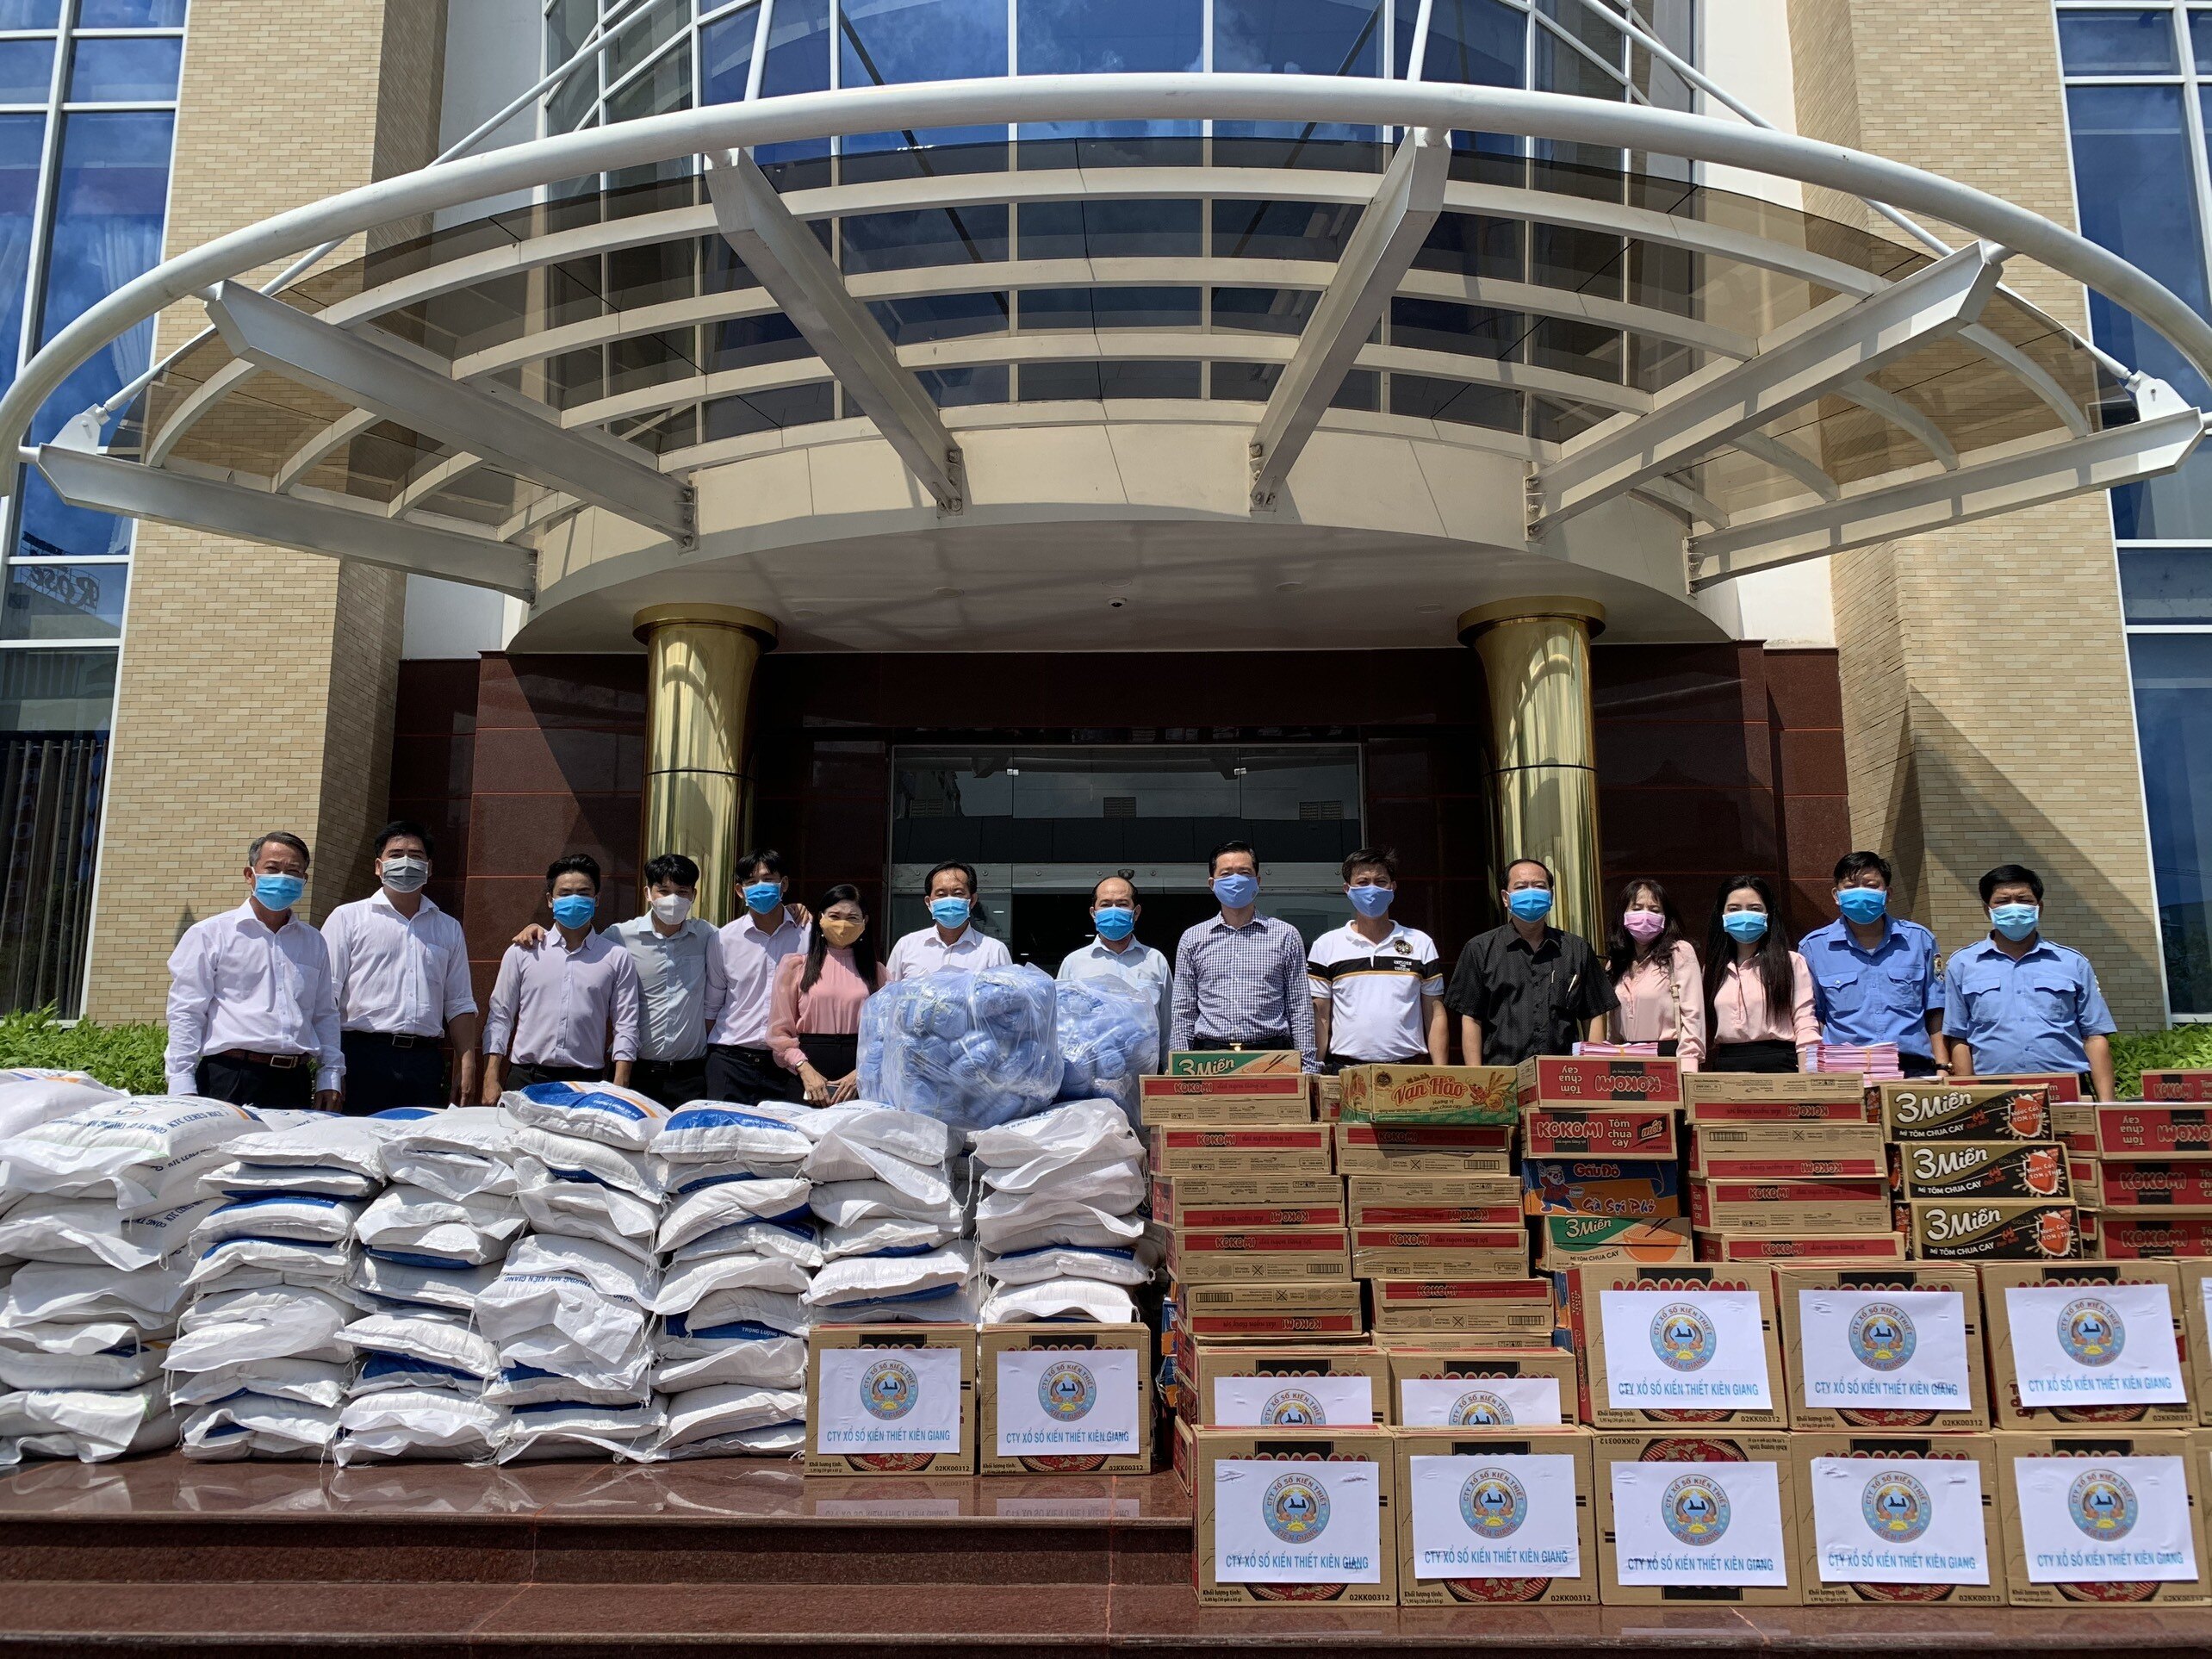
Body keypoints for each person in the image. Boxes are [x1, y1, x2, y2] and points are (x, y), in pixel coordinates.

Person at [165, 830, 343, 1109]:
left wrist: (329, 1075)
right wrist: (181, 1083)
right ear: (250, 874)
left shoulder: (314, 942)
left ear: (304, 880)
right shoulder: (210, 934)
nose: (283, 877)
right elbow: (187, 1011)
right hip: (231, 1077)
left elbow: (325, 1015)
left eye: (293, 871)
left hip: (293, 1080)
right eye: (272, 868)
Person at [320, 819, 478, 1113]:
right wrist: (329, 1070)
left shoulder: (448, 928)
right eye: (396, 855)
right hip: (362, 1056)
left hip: (425, 1062)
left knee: (419, 1140)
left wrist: (466, 1063)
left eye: (415, 855)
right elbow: (326, 998)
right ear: (378, 866)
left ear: (429, 868)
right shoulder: (347, 918)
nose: (406, 862)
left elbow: (459, 1002)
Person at [1944, 863, 2118, 1100]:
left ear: (2039, 908)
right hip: (1994, 1093)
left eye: (2024, 900)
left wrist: (2107, 1105)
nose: (2014, 908)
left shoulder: (2072, 962)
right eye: (2003, 901)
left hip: (2065, 1090)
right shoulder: (1962, 964)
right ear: (1988, 910)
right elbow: (1959, 1038)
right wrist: (1968, 1099)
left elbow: (2095, 1036)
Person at [481, 853, 641, 1098]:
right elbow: (500, 1016)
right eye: (565, 893)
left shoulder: (616, 957)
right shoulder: (523, 951)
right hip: (527, 1078)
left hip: (586, 1083)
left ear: (597, 899)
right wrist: (490, 1076)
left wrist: (620, 1084)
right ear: (550, 899)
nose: (574, 900)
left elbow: (626, 1025)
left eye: (584, 893)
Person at [1445, 857, 1614, 1066]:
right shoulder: (1480, 949)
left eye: (1539, 886)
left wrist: (1593, 1068)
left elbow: (1593, 1014)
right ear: (1505, 898)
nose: (1531, 892)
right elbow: (1471, 1018)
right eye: (1521, 887)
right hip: (1502, 1074)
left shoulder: (1576, 949)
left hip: (1563, 1073)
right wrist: (1477, 1076)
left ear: (1550, 896)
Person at [1168, 842, 1319, 1071]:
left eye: (1244, 873)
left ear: (1258, 881)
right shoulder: (1193, 938)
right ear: (1212, 884)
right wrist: (1180, 1067)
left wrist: (1307, 1068)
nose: (1235, 880)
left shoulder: (1285, 935)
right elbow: (1183, 1010)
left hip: (1273, 1057)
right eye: (1226, 874)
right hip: (1210, 1059)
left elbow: (1300, 1008)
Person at [1800, 849, 1947, 1078]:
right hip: (1845, 1068)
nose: (1861, 893)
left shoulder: (1920, 940)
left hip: (1912, 1067)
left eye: (1871, 886)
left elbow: (1935, 1009)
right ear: (1836, 895)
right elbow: (1814, 1016)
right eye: (1850, 887)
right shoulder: (1814, 947)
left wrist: (1943, 1066)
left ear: (1888, 894)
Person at [1306, 848, 1448, 1067]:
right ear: (1347, 889)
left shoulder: (1420, 943)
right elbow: (1321, 1018)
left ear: (1393, 887)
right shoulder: (1326, 946)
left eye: (1380, 882)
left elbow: (1435, 1014)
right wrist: (1314, 1070)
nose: (1372, 889)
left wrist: (1442, 1072)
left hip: (1410, 1070)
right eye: (1362, 882)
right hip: (1345, 1070)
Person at [705, 848, 811, 1105]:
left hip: (788, 1064)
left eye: (768, 879)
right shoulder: (723, 939)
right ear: (740, 891)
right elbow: (712, 1006)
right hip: (731, 1061)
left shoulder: (808, 935)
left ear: (784, 884)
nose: (760, 886)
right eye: (751, 882)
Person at [769, 884, 885, 1104]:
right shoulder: (795, 967)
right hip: (806, 1072)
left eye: (852, 918)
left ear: (864, 923)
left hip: (857, 1076)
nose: (843, 924)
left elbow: (886, 1035)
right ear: (821, 919)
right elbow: (779, 1032)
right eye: (835, 916)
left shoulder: (878, 973)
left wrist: (860, 1073)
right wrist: (804, 1069)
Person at [1056, 872, 1175, 1072]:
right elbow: (1061, 1025)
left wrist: (1169, 1070)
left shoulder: (1155, 960)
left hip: (1144, 1075)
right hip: (1088, 1077)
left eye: (1122, 904)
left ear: (1136, 912)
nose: (1113, 910)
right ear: (1093, 913)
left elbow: (1168, 1024)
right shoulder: (1074, 963)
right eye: (1105, 904)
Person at [1703, 873, 1819, 1072]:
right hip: (1727, 1066)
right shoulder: (1712, 969)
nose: (1744, 915)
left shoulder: (1791, 962)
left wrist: (1809, 1074)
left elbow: (1805, 1022)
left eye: (1754, 908)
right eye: (1734, 909)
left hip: (1780, 1064)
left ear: (1768, 914)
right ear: (1722, 915)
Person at [1604, 876, 1705, 1069]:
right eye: (1637, 908)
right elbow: (1613, 1027)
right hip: (1625, 1060)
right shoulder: (1615, 964)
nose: (1645, 915)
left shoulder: (1679, 953)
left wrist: (1689, 1066)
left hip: (1667, 1058)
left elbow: (1693, 1014)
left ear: (1665, 917)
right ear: (1623, 915)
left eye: (1654, 910)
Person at [885, 860, 1012, 981]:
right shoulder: (906, 946)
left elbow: (1008, 995)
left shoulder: (994, 951)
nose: (950, 900)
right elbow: (888, 993)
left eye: (958, 893)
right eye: (941, 894)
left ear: (972, 900)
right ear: (929, 903)